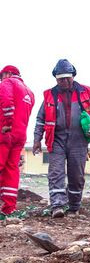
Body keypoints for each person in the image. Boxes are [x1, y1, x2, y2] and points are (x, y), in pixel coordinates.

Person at [33, 59, 90, 218]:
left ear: (73, 76)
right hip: (56, 139)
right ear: (56, 79)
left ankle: (74, 207)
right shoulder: (50, 95)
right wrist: (37, 139)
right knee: (55, 172)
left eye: (67, 78)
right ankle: (57, 205)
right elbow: (40, 120)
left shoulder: (86, 92)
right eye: (60, 79)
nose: (64, 81)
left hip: (78, 140)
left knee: (76, 175)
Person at [0, 65, 35, 217]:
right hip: (20, 135)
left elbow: (6, 102)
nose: (1, 80)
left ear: (8, 73)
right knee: (11, 169)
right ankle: (9, 207)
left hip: (6, 132)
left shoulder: (8, 83)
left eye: (1, 76)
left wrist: (7, 123)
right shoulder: (29, 92)